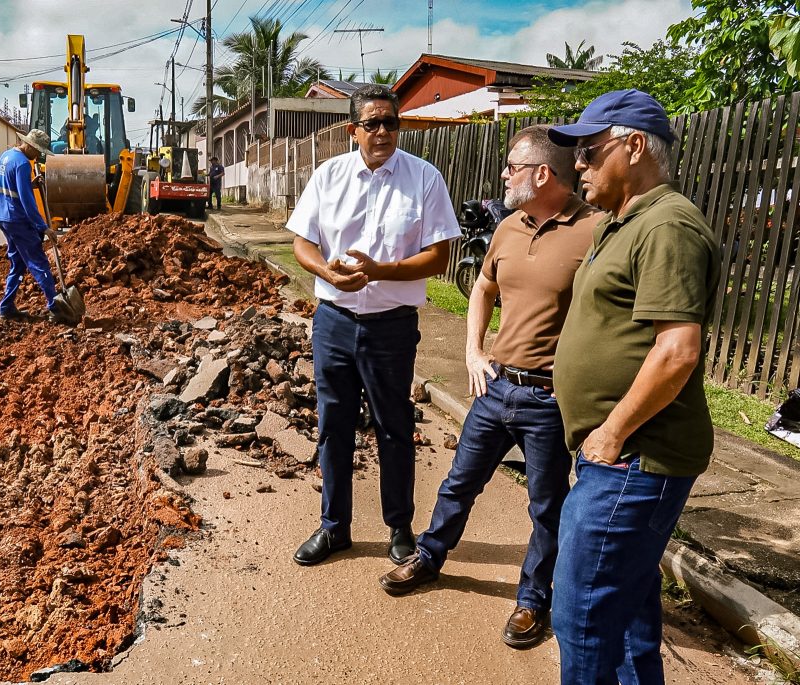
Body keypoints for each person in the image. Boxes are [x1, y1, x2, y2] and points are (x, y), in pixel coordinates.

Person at [378, 125, 601, 650]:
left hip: (550, 398)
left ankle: (532, 600)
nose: (503, 174)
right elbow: (482, 287)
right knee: (459, 482)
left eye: (511, 166)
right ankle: (430, 556)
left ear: (542, 174)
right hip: (497, 386)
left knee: (547, 506)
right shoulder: (509, 226)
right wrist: (473, 350)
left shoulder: (596, 231)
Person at [546, 89, 720, 683]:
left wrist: (611, 432)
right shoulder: (623, 223)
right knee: (630, 618)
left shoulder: (669, 226)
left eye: (590, 151)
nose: (579, 165)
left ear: (634, 145)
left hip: (633, 460)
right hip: (617, 459)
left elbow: (677, 352)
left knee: (584, 619)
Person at [287, 84, 462, 567]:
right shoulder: (328, 176)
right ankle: (333, 527)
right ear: (353, 131)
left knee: (394, 426)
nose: (383, 131)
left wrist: (382, 270)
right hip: (334, 322)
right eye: (372, 123)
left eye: (390, 122)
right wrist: (323, 271)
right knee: (333, 425)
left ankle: (399, 526)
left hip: (391, 326)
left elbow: (438, 256)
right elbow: (303, 241)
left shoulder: (424, 179)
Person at [0, 129, 59, 322]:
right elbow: (27, 201)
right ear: (29, 145)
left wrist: (31, 184)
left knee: (18, 263)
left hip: (3, 217)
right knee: (39, 262)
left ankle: (6, 306)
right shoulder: (23, 164)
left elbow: (12, 185)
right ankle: (55, 307)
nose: (38, 155)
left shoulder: (7, 156)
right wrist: (43, 227)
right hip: (17, 219)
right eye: (37, 151)